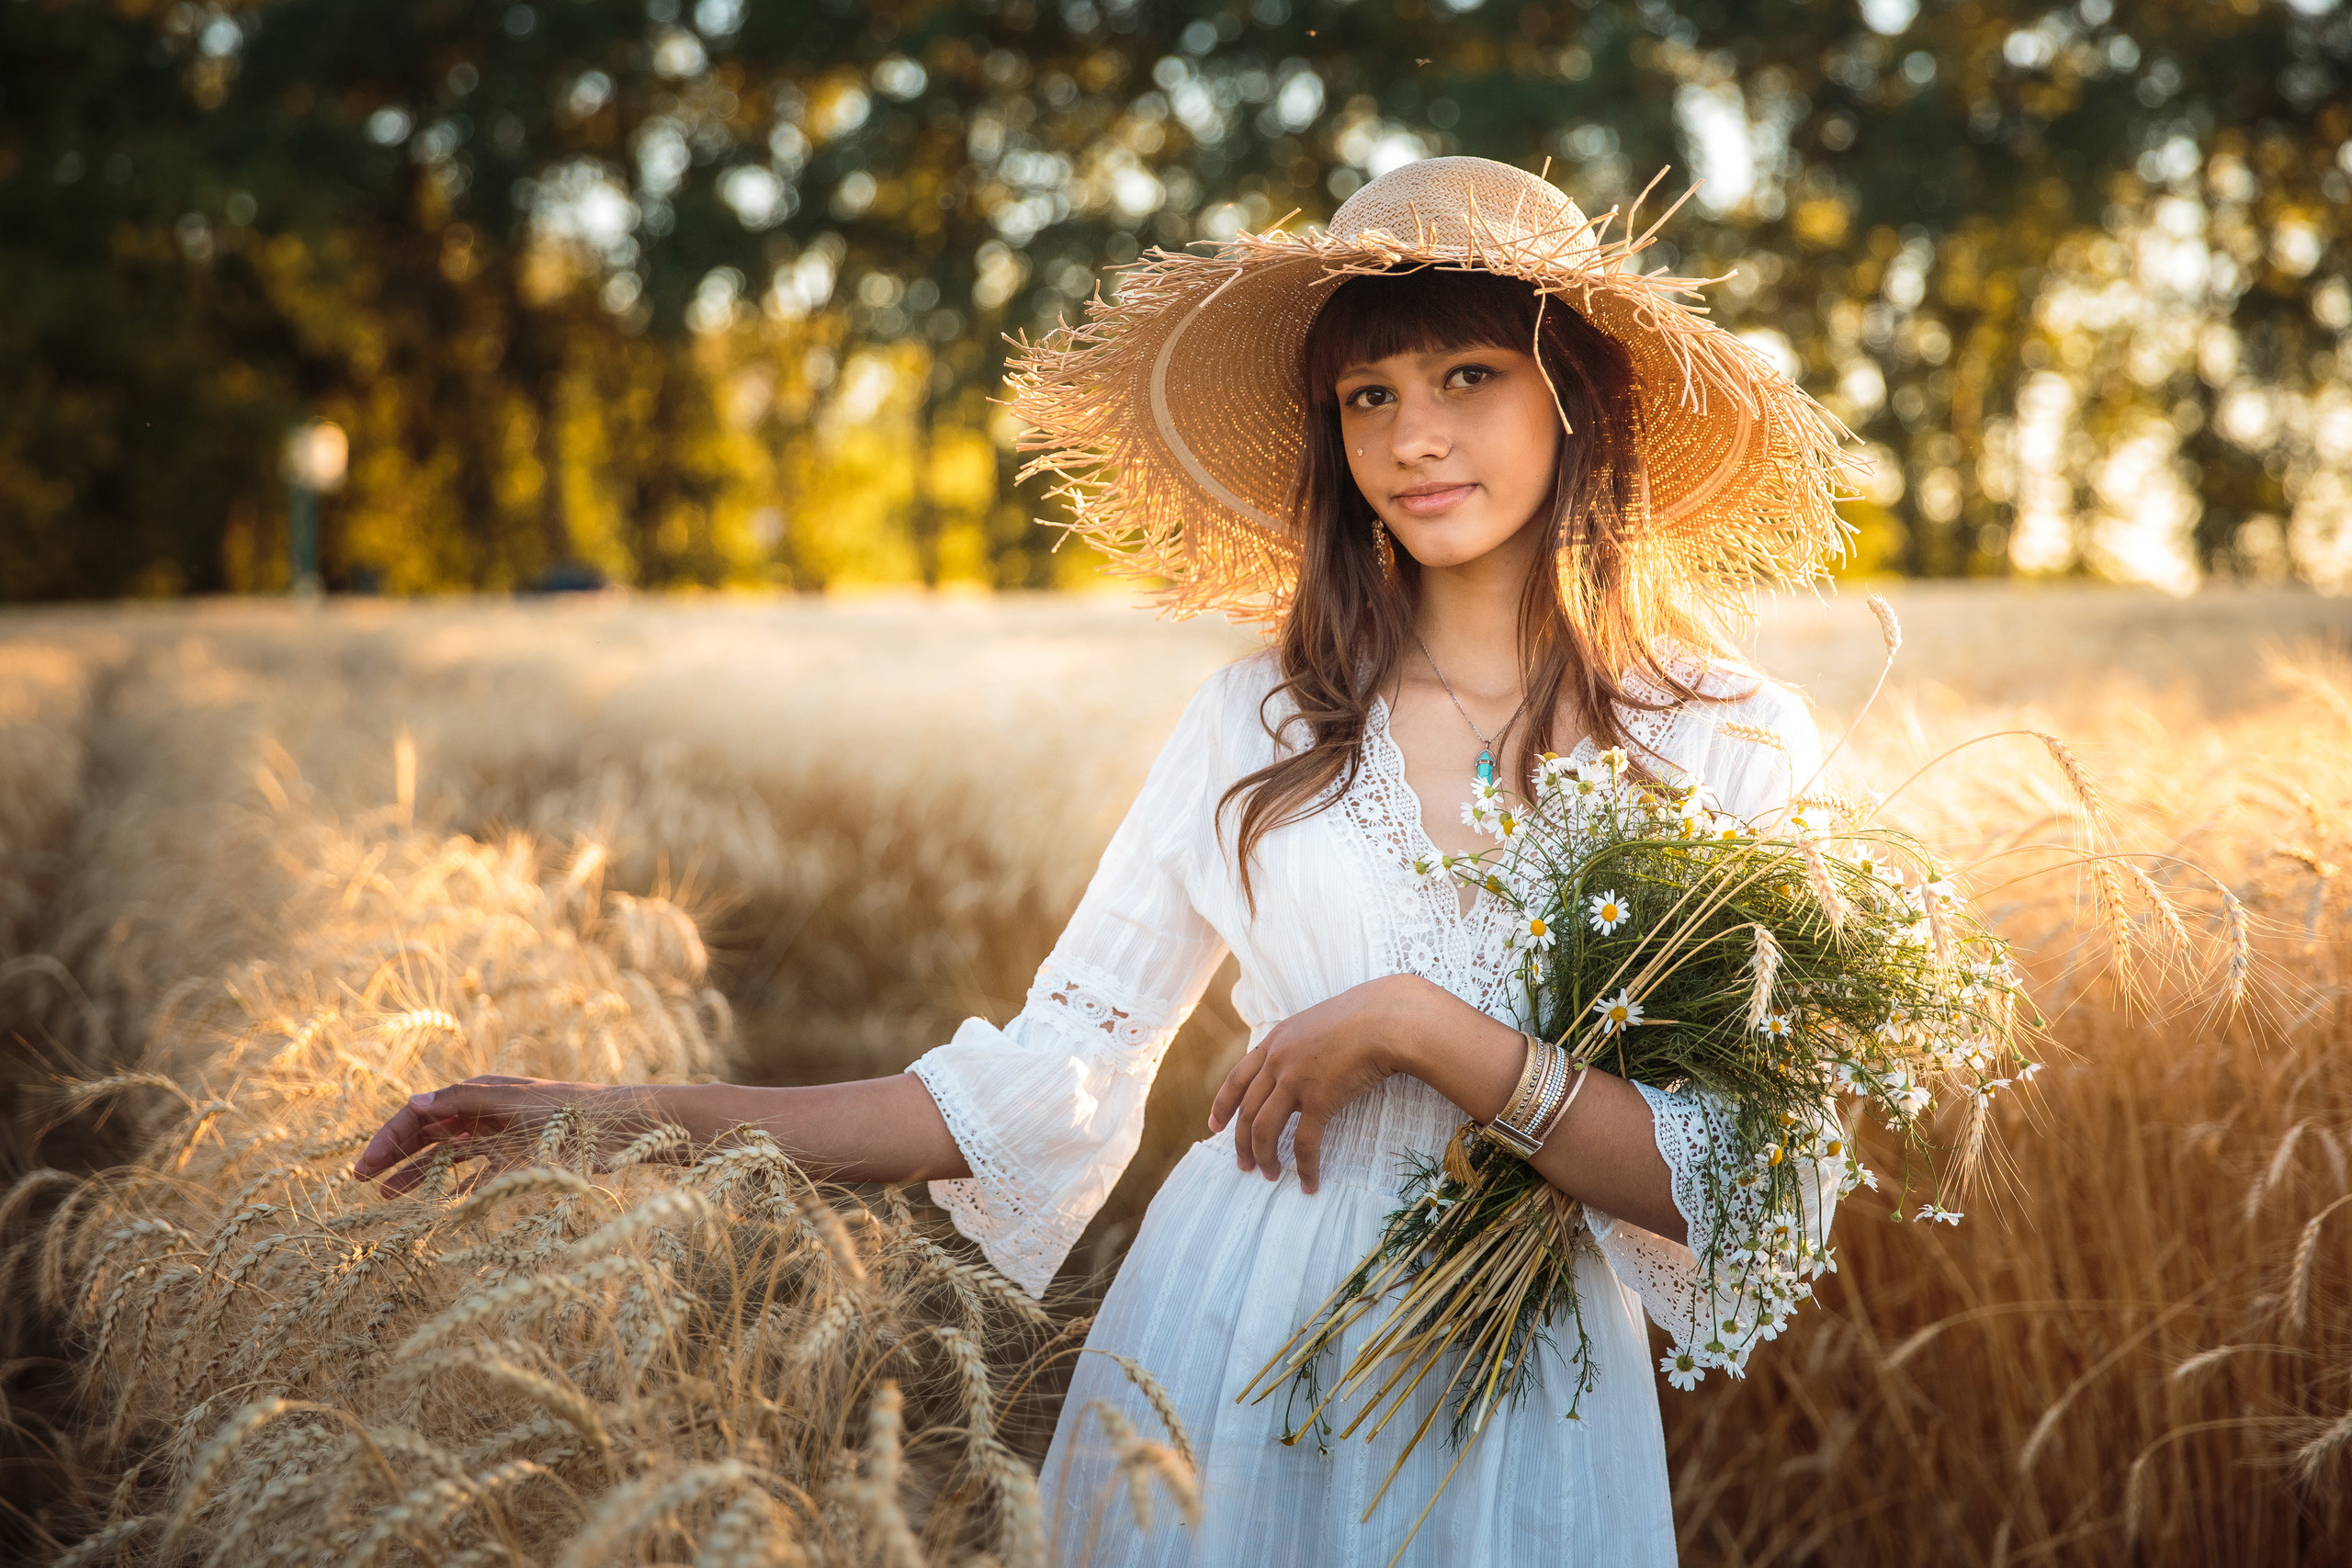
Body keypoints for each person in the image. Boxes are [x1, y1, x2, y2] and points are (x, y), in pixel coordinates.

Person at [356, 157, 1862, 1564]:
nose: (1412, 437)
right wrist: (620, 1120)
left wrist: (1420, 1027)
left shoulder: (1726, 742)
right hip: (1233, 1347)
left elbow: (1745, 1182)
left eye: (1469, 376)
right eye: (1369, 395)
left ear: (1579, 398)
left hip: (1527, 1390)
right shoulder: (1260, 721)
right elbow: (1043, 1083)